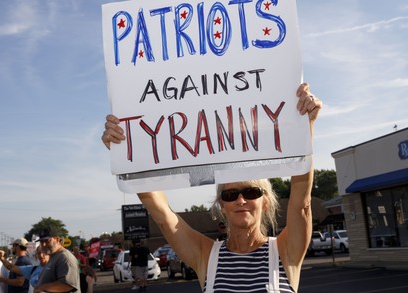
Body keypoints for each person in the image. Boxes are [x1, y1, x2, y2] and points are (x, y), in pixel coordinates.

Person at [102, 83, 322, 292]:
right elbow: (162, 215)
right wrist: (125, 152)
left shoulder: (284, 251)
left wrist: (305, 127)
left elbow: (302, 204)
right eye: (230, 194)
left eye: (251, 192)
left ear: (265, 202)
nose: (241, 200)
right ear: (221, 205)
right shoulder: (206, 255)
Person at [33, 226, 80, 293]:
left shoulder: (65, 257)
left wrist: (41, 288)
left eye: (47, 241)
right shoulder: (54, 257)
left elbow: (67, 285)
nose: (43, 244)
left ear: (57, 239)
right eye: (41, 241)